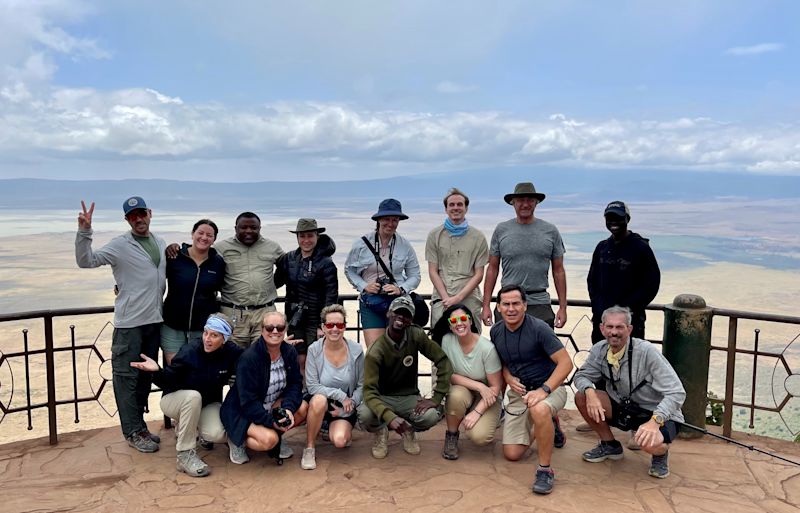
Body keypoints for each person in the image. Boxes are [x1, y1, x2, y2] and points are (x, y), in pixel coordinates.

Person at [75, 197, 166, 453]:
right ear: (127, 219)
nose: (138, 219)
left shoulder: (159, 242)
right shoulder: (120, 245)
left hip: (154, 322)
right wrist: (84, 231)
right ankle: (132, 432)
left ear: (150, 213)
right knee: (127, 379)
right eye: (132, 216)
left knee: (145, 378)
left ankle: (141, 427)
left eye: (141, 214)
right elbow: (86, 261)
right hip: (129, 325)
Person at [573, 305, 685, 479]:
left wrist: (655, 421)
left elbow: (677, 392)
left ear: (630, 329)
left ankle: (660, 454)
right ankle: (609, 444)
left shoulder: (646, 352)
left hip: (657, 412)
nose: (614, 332)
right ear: (602, 328)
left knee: (649, 443)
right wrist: (590, 392)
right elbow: (581, 376)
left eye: (620, 327)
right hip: (625, 407)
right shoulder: (600, 350)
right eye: (609, 327)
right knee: (581, 397)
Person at [130, 315, 243, 477]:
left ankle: (195, 428)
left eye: (214, 335)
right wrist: (156, 371)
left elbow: (253, 356)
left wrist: (278, 346)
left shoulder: (231, 352)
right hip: (175, 400)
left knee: (217, 434)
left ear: (224, 339)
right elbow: (168, 381)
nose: (207, 339)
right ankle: (185, 455)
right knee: (193, 397)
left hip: (207, 403)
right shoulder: (190, 351)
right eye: (205, 333)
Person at [490, 285, 573, 495]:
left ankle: (545, 470)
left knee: (539, 410)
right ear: (498, 307)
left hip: (550, 388)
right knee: (512, 453)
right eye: (506, 304)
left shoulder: (539, 329)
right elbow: (503, 362)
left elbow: (565, 363)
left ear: (525, 306)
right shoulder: (496, 331)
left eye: (516, 303)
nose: (511, 309)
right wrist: (508, 377)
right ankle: (547, 426)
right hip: (520, 393)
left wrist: (544, 390)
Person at [358, 296, 453, 459]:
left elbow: (443, 361)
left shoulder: (416, 335)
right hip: (382, 397)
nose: (401, 318)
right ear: (388, 313)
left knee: (431, 415)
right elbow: (369, 392)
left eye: (406, 315)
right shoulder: (375, 351)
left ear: (411, 320)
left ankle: (409, 430)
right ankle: (381, 430)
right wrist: (389, 417)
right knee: (364, 415)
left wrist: (436, 398)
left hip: (408, 396)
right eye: (397, 313)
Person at [220, 311, 309, 464]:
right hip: (243, 410)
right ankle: (237, 439)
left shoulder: (289, 352)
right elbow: (248, 401)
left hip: (270, 403)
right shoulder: (249, 358)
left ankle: (274, 435)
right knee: (269, 440)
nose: (275, 331)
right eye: (269, 328)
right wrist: (271, 422)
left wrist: (287, 408)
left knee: (302, 408)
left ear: (285, 329)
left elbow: (295, 383)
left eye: (280, 328)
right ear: (262, 330)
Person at [481, 182, 567, 330]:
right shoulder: (501, 230)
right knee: (506, 350)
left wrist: (563, 308)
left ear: (536, 203)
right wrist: (486, 305)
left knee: (542, 351)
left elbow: (558, 270)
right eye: (521, 200)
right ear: (513, 203)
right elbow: (492, 269)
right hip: (508, 303)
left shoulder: (550, 231)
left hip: (539, 303)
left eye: (530, 200)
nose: (525, 204)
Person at [345, 198, 421, 347]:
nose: (391, 224)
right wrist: (364, 286)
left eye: (395, 220)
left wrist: (400, 289)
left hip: (397, 304)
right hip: (371, 302)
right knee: (375, 351)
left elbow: (415, 275)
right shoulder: (362, 244)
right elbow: (349, 270)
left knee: (397, 351)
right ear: (378, 220)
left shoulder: (405, 245)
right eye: (386, 219)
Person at [431, 304, 502, 460]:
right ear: (449, 325)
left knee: (479, 437)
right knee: (455, 395)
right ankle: (451, 435)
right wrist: (479, 386)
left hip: (488, 396)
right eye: (454, 320)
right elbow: (448, 375)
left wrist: (477, 412)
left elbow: (496, 386)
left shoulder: (486, 348)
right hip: (465, 390)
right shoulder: (446, 341)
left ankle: (492, 414)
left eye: (463, 318)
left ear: (470, 321)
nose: (459, 323)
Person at [587, 201, 660, 344]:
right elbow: (592, 281)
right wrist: (598, 307)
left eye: (618, 218)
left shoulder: (640, 248)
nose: (614, 222)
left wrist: (627, 309)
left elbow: (651, 284)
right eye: (610, 218)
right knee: (601, 361)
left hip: (630, 322)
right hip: (602, 322)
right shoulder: (602, 247)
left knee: (630, 361)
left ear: (627, 219)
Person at [301, 304, 364, 470]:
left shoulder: (356, 350)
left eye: (339, 325)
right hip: (321, 401)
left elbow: (362, 385)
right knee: (319, 400)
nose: (334, 329)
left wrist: (348, 407)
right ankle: (309, 448)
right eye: (330, 325)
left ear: (345, 327)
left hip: (345, 405)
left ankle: (331, 427)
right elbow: (312, 386)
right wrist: (340, 395)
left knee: (340, 441)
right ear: (323, 327)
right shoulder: (314, 349)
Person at [275, 218, 338, 377]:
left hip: (315, 320)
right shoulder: (288, 259)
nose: (306, 240)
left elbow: (331, 296)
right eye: (302, 236)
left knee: (316, 361)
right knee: (298, 359)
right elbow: (275, 282)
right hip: (295, 318)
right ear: (297, 238)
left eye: (310, 236)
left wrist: (323, 324)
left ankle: (316, 396)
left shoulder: (326, 263)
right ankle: (300, 393)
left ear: (317, 236)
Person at [161, 219, 226, 366]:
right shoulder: (175, 257)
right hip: (172, 326)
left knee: (200, 371)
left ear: (214, 239)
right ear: (192, 234)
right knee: (175, 370)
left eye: (209, 235)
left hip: (203, 330)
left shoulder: (218, 263)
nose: (204, 237)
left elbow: (226, 288)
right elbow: (153, 278)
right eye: (200, 233)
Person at [215, 212, 284, 348]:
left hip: (265, 313)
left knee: (264, 355)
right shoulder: (220, 248)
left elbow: (289, 267)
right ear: (236, 228)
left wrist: (271, 284)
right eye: (243, 227)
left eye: (253, 228)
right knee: (233, 357)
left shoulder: (272, 247)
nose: (248, 231)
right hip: (233, 313)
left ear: (259, 228)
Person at [425, 188, 488, 333]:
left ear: (466, 208)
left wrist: (458, 297)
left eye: (459, 204)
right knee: (441, 341)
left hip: (469, 297)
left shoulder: (478, 237)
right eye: (451, 205)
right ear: (446, 209)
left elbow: (479, 274)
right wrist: (446, 299)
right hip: (442, 297)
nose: (456, 208)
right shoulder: (434, 235)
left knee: (471, 340)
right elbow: (433, 271)